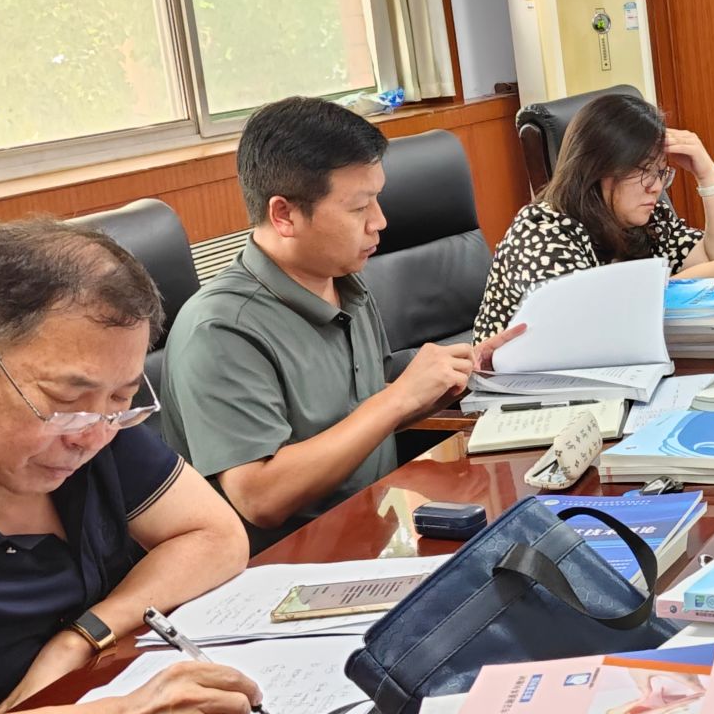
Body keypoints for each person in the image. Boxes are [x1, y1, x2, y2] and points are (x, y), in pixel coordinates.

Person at [0, 219, 258, 714]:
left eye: (123, 399)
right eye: (64, 401)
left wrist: (80, 637)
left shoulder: (94, 427)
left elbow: (215, 533)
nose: (92, 438)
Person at [162, 97, 519, 548]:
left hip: (377, 534)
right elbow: (259, 496)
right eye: (359, 208)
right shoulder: (219, 330)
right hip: (288, 568)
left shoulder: (342, 281)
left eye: (378, 200)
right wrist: (398, 400)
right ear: (284, 215)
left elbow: (358, 400)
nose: (380, 222)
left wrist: (452, 377)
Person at [474, 92, 714, 342]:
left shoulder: (645, 218)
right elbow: (589, 325)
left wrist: (707, 174)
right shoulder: (542, 230)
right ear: (598, 167)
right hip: (518, 387)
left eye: (661, 172)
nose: (656, 187)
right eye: (644, 171)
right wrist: (705, 274)